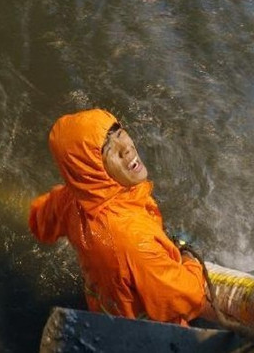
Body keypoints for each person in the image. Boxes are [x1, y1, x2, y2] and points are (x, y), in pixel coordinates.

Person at [29, 108, 219, 325]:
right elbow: (189, 298)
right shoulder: (134, 240)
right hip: (147, 327)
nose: (126, 149)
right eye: (108, 149)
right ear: (91, 170)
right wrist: (189, 261)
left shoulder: (72, 198)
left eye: (118, 132)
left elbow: (39, 222)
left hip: (104, 311)